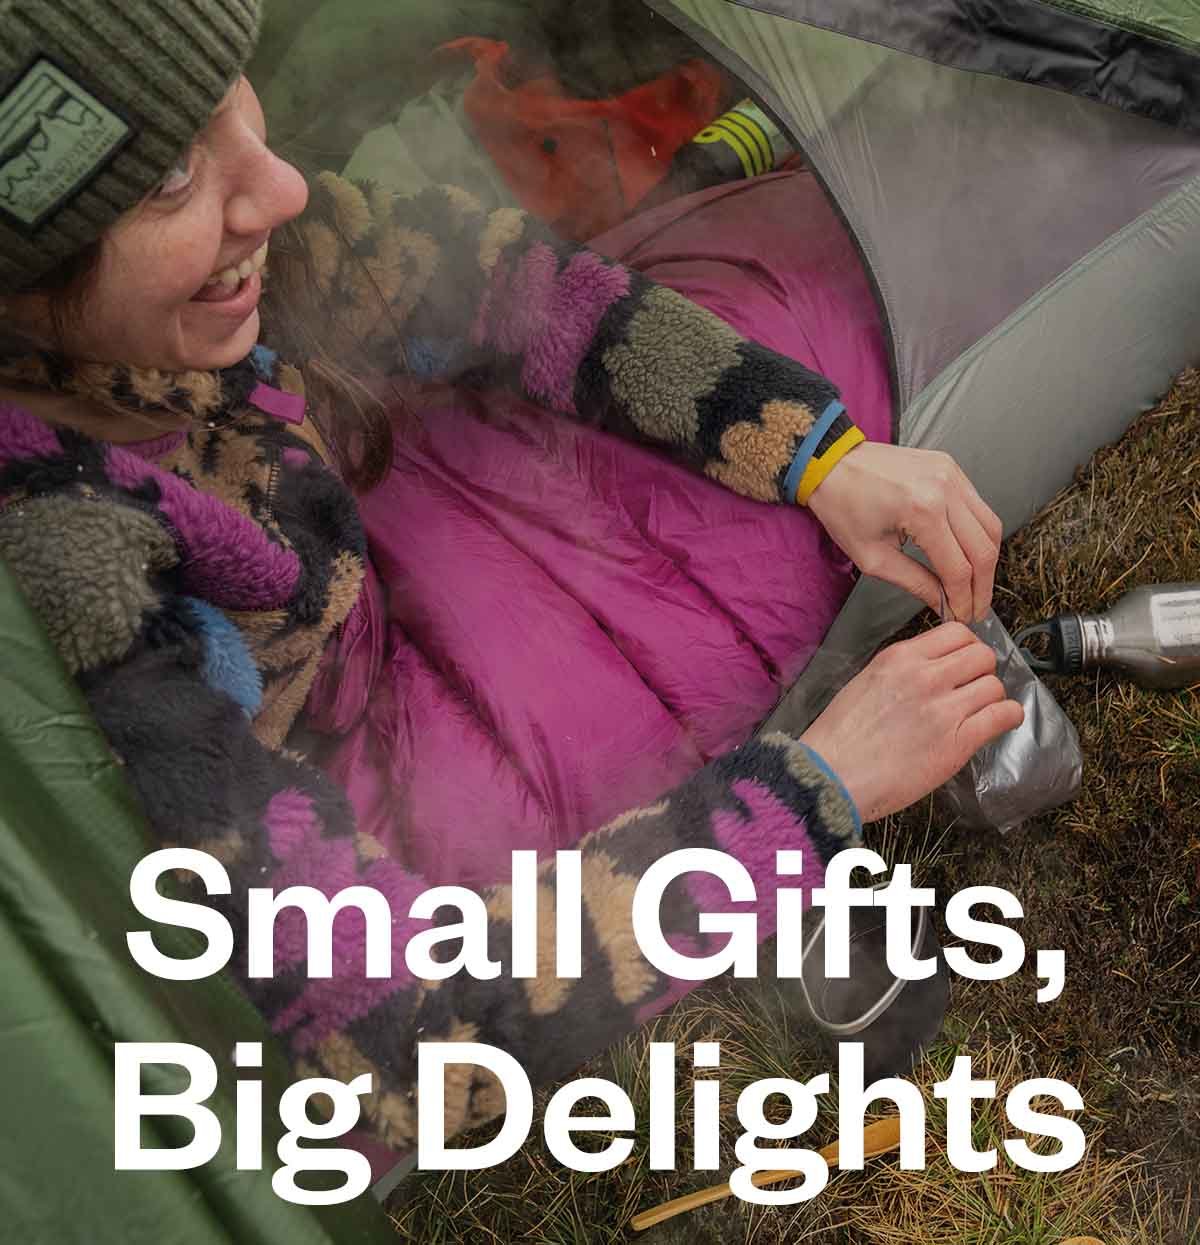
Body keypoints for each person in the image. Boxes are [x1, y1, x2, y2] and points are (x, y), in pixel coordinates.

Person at [0, 0, 1022, 1156]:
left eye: (237, 101)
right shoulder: (71, 577)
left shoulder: (226, 276)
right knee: (714, 621)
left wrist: (810, 449)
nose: (281, 188)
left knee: (770, 451)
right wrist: (807, 798)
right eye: (174, 176)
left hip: (375, 611)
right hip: (354, 845)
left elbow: (522, 291)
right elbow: (402, 1052)